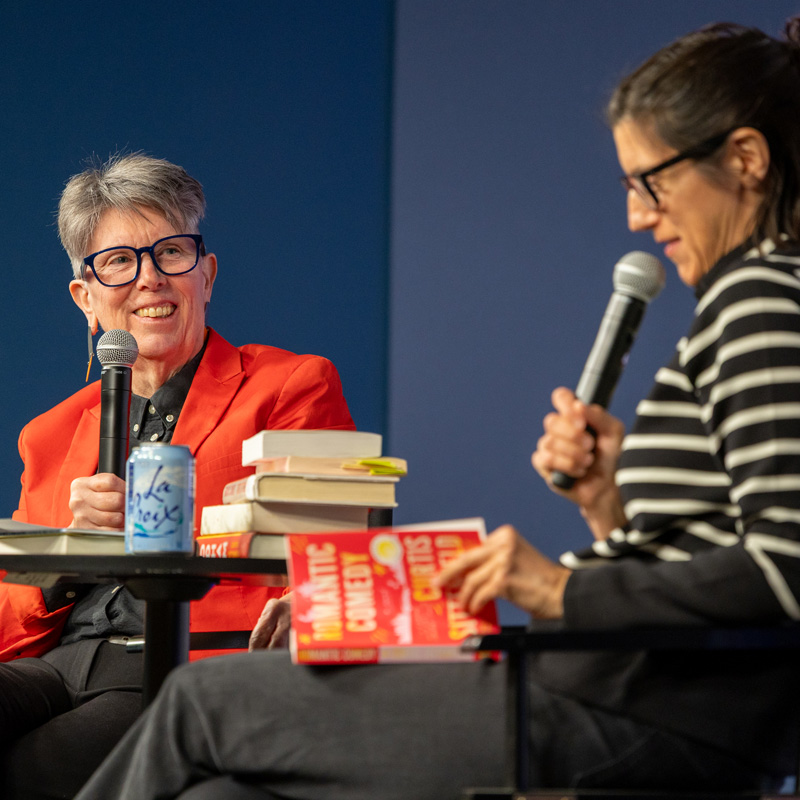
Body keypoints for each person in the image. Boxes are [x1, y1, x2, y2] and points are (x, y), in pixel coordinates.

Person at [74, 17, 800, 800]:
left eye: (651, 182)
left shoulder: (760, 298)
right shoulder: (752, 298)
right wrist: (607, 505)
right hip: (623, 693)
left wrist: (558, 589)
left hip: (641, 712)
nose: (638, 217)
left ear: (746, 159)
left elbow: (786, 569)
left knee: (197, 701)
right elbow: (708, 556)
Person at [0, 153, 355, 799]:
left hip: (182, 662)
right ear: (85, 297)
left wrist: (303, 600)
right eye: (119, 261)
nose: (150, 279)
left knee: (35, 770)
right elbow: (10, 614)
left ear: (206, 274)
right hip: (55, 663)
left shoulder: (288, 386)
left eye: (171, 253)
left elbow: (330, 552)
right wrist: (68, 558)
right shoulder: (49, 432)